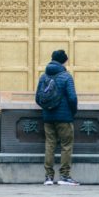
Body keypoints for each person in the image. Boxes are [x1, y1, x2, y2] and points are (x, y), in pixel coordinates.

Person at [41, 49, 79, 186]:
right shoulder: (66, 76)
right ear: (64, 61)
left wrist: (47, 107)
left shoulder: (43, 76)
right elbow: (72, 97)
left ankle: (48, 177)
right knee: (66, 146)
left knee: (49, 145)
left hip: (48, 117)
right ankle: (64, 176)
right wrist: (72, 112)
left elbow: (38, 98)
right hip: (64, 117)